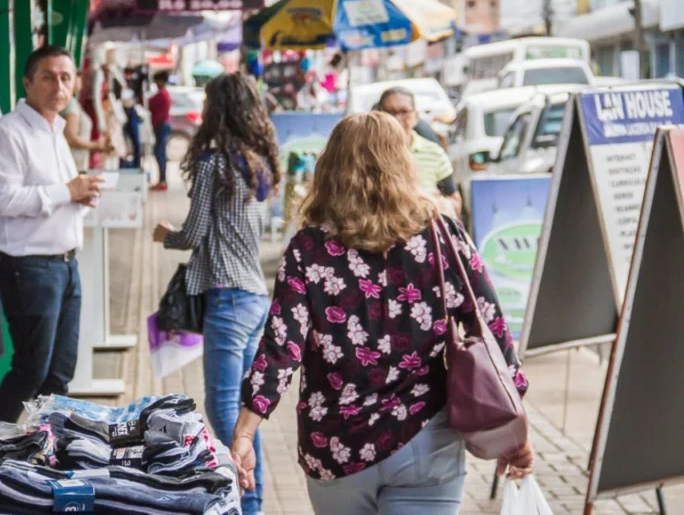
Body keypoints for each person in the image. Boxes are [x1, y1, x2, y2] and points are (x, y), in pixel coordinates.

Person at [229, 112, 534, 514]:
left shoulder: (309, 248)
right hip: (426, 438)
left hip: (337, 446)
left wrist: (245, 432)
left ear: (332, 167)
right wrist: (514, 430)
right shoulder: (441, 234)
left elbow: (282, 346)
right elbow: (492, 327)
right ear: (403, 163)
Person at [152, 73, 281, 515]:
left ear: (217, 111)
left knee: (223, 406)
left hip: (226, 300)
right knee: (246, 412)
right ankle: (254, 501)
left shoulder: (213, 165)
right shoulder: (258, 163)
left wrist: (164, 235)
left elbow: (192, 234)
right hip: (254, 298)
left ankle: (244, 502)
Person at [0, 45, 104, 424]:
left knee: (59, 375)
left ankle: (43, 453)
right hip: (29, 267)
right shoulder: (8, 132)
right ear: (27, 82)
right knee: (30, 370)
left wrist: (81, 195)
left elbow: (56, 194)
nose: (58, 86)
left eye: (66, 77)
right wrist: (68, 191)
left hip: (66, 266)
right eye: (48, 76)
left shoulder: (56, 131)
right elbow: (1, 199)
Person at [376, 87, 462, 216]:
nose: (397, 118)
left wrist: (430, 202)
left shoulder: (433, 152)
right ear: (379, 115)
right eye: (390, 112)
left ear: (415, 116)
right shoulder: (370, 153)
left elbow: (455, 203)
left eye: (404, 111)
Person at [61, 77, 112, 172]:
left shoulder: (73, 103)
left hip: (77, 165)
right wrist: (95, 146)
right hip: (72, 166)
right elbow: (70, 138)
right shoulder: (70, 104)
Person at [148, 70, 172, 191]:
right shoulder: (164, 94)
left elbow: (148, 103)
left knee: (160, 153)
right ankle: (162, 180)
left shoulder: (161, 95)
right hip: (163, 125)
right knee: (160, 153)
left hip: (161, 126)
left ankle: (162, 181)